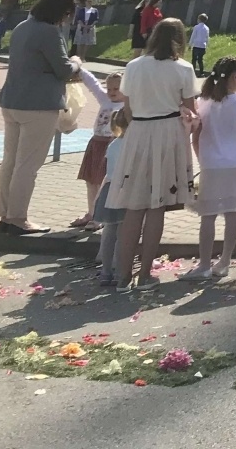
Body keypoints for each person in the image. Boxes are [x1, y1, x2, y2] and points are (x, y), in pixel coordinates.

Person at [113, 17, 198, 288]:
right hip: (168, 132)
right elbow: (190, 109)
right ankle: (145, 273)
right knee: (156, 205)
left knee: (134, 207)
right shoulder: (183, 68)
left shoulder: (133, 66)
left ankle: (122, 273)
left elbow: (127, 108)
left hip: (138, 131)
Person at [0, 0, 85, 235]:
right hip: (39, 106)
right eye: (67, 14)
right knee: (28, 165)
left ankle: (4, 214)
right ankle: (18, 218)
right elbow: (65, 70)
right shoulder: (50, 32)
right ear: (60, 12)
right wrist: (77, 60)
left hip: (12, 100)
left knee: (10, 161)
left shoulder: (23, 26)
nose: (67, 19)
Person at [186, 56, 236, 281]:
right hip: (233, 164)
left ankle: (204, 263)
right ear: (235, 77)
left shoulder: (202, 102)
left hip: (210, 164)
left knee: (208, 216)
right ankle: (224, 261)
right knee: (232, 213)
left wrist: (202, 158)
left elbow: (195, 137)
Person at [71, 69, 125, 230]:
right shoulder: (105, 100)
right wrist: (79, 69)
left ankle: (100, 216)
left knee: (104, 182)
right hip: (96, 142)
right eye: (109, 89)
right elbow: (93, 84)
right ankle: (91, 212)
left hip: (112, 144)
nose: (111, 92)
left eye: (116, 89)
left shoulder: (128, 104)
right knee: (91, 181)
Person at [92, 107, 130, 287]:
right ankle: (119, 270)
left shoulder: (113, 144)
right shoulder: (134, 144)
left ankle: (106, 271)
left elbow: (108, 172)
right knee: (124, 232)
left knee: (109, 231)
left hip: (110, 189)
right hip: (127, 190)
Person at [188, 13, 212, 77]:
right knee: (200, 60)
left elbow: (193, 36)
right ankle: (201, 73)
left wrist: (190, 45)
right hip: (202, 46)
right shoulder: (207, 28)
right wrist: (206, 46)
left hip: (196, 45)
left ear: (199, 19)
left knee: (194, 59)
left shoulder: (196, 27)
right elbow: (207, 38)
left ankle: (193, 72)